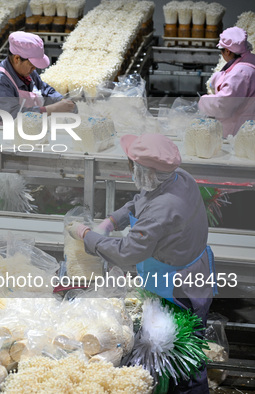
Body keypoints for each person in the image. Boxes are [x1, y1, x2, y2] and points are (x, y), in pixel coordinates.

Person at [66, 134, 216, 393]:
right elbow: (140, 201)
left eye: (132, 166)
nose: (130, 169)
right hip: (193, 271)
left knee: (180, 357)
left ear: (146, 173)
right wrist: (113, 221)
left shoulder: (163, 209)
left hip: (177, 290)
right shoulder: (179, 177)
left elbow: (126, 252)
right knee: (180, 350)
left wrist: (87, 236)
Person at [0, 31, 75, 120]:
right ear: (17, 58)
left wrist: (62, 102)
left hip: (30, 128)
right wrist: (51, 109)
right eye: (32, 65)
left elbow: (44, 90)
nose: (34, 69)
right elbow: (13, 115)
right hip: (3, 132)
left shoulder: (28, 72)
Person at [198, 26, 255, 138]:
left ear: (228, 51)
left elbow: (223, 105)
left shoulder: (240, 73)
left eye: (222, 51)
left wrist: (203, 101)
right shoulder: (249, 63)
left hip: (238, 131)